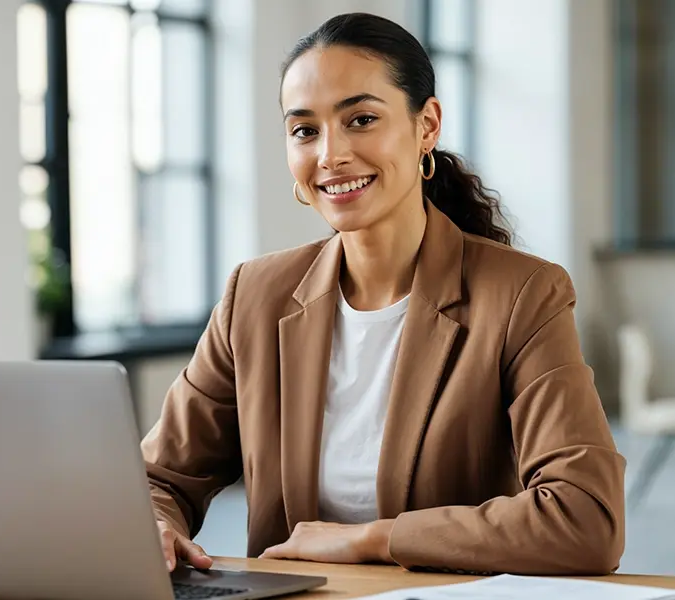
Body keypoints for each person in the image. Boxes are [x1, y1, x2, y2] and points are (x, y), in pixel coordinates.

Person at [141, 12, 625, 576]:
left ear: (427, 126)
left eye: (362, 119)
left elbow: (586, 520)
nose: (330, 155)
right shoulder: (255, 296)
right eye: (305, 130)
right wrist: (156, 525)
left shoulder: (523, 295)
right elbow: (160, 477)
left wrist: (374, 540)